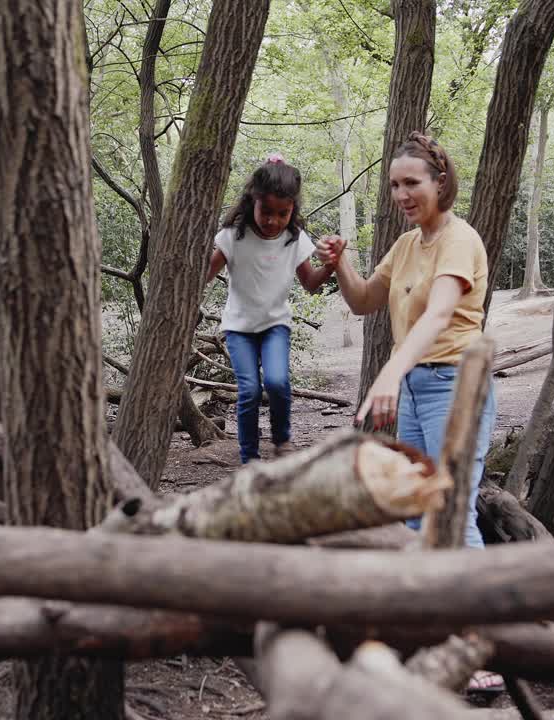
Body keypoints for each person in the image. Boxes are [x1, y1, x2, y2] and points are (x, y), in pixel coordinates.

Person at [318, 131, 502, 694]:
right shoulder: (405, 246)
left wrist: (390, 371)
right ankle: (432, 638)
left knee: (453, 509)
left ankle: (479, 647)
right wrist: (342, 264)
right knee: (418, 515)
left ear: (439, 183)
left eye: (412, 183)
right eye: (395, 184)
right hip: (419, 387)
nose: (401, 193)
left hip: (455, 384)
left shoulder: (459, 239)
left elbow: (440, 313)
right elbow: (364, 302)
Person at [205, 154, 335, 465]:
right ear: (253, 201)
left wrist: (330, 266)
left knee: (276, 382)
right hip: (239, 328)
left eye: (283, 213)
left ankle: (281, 439)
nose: (274, 220)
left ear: (293, 210)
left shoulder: (294, 239)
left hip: (276, 325)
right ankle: (249, 457)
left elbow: (310, 283)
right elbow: (203, 276)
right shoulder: (233, 236)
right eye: (267, 211)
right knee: (249, 390)